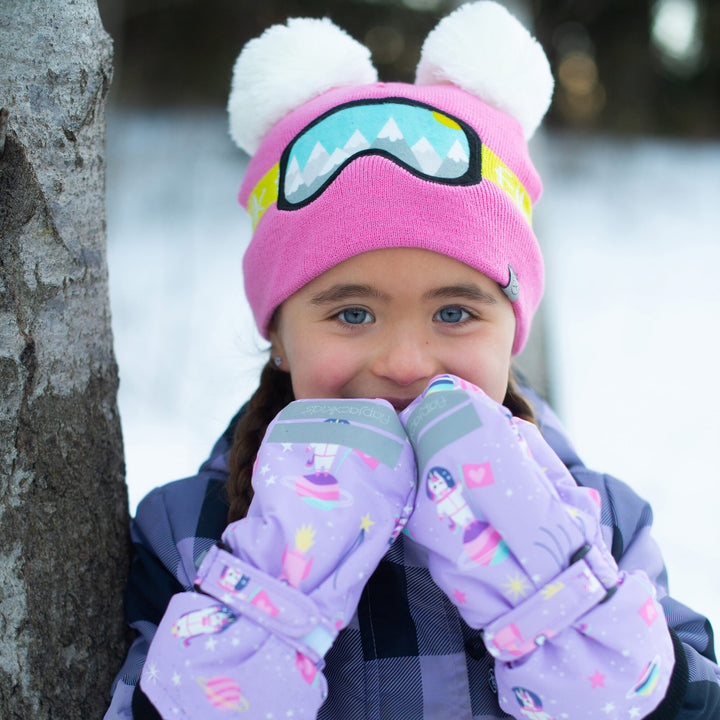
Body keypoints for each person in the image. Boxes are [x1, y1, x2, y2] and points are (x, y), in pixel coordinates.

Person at [104, 3, 720, 719]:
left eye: (454, 313)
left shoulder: (598, 521)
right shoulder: (192, 531)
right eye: (352, 314)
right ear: (278, 333)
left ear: (511, 329)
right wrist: (274, 593)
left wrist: (560, 596)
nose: (405, 361)